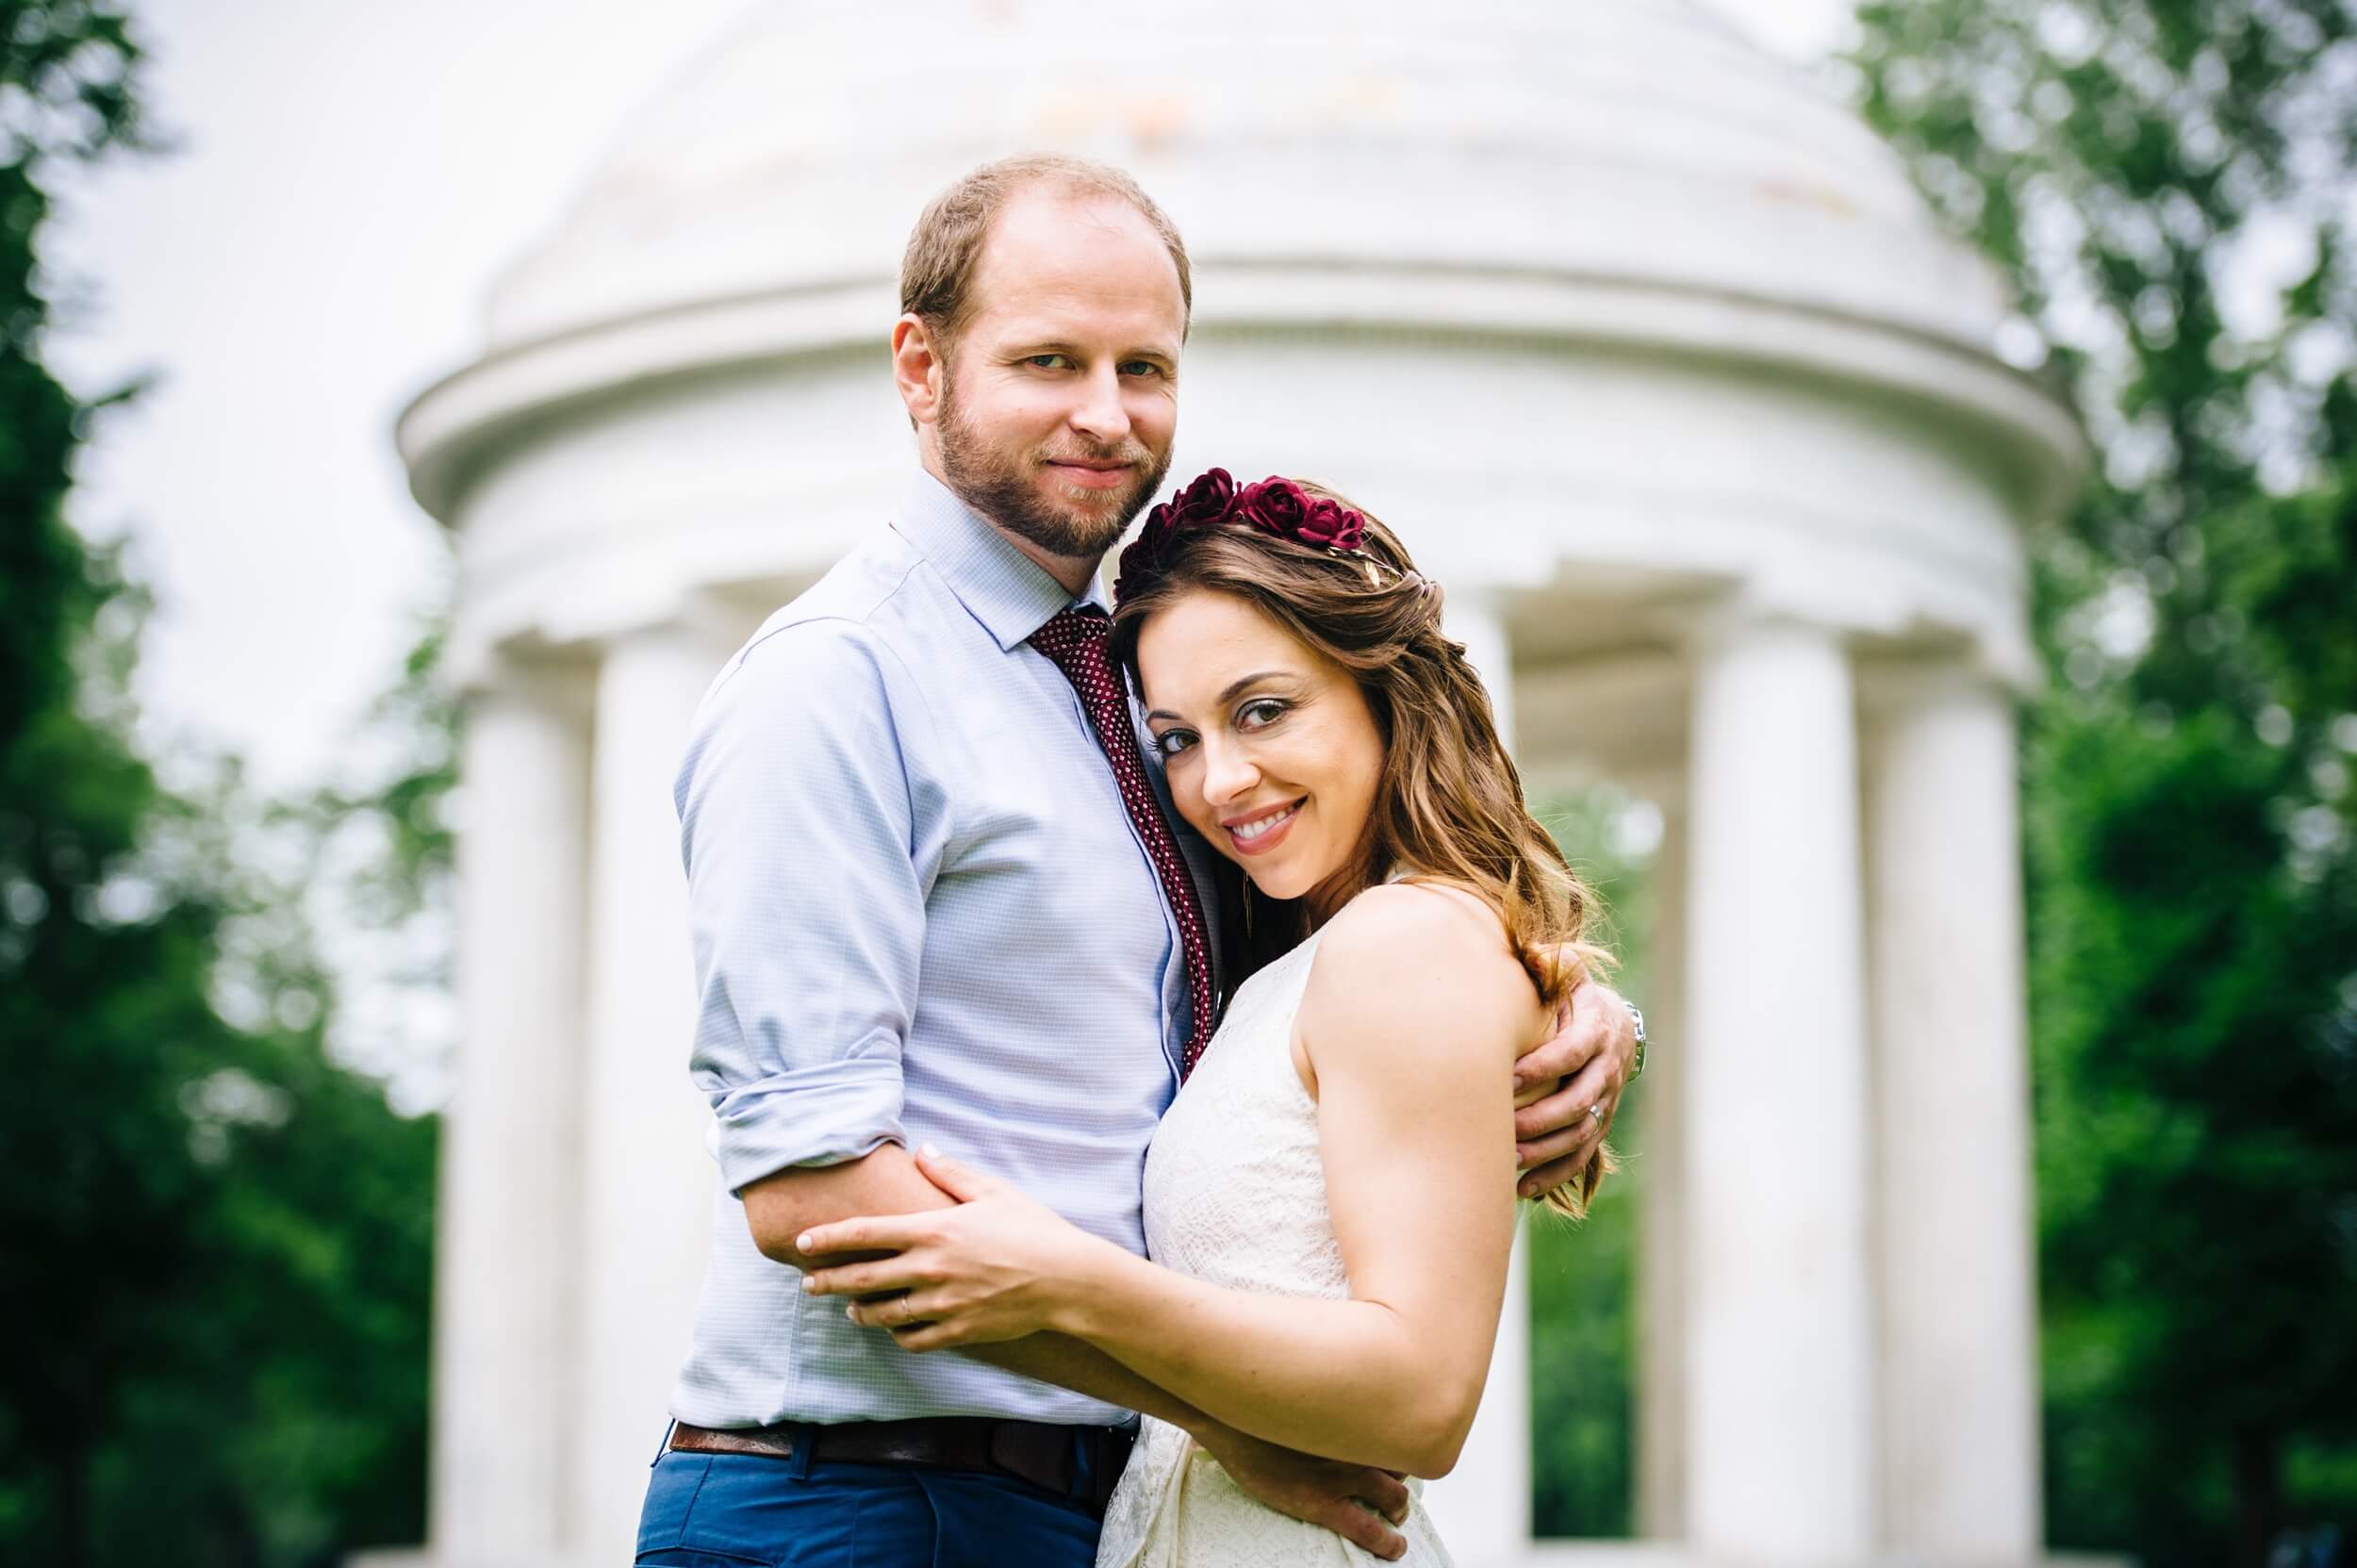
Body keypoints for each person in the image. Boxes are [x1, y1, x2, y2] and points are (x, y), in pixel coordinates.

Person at [634, 155, 1640, 1568]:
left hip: (1083, 1503)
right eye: (1049, 360)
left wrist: (1561, 1005)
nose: (1106, 416)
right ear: (920, 365)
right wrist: (1225, 1417)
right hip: (857, 1493)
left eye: (1144, 367)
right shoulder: (837, 680)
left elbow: (1320, 986)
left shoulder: (1138, 689)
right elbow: (812, 1190)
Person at [796, 470, 1610, 1565]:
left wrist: (1071, 1281)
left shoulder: (1401, 942)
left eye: (1263, 710)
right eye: (1176, 738)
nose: (1220, 780)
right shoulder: (1306, 953)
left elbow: (1423, 1396)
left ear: (1384, 691)